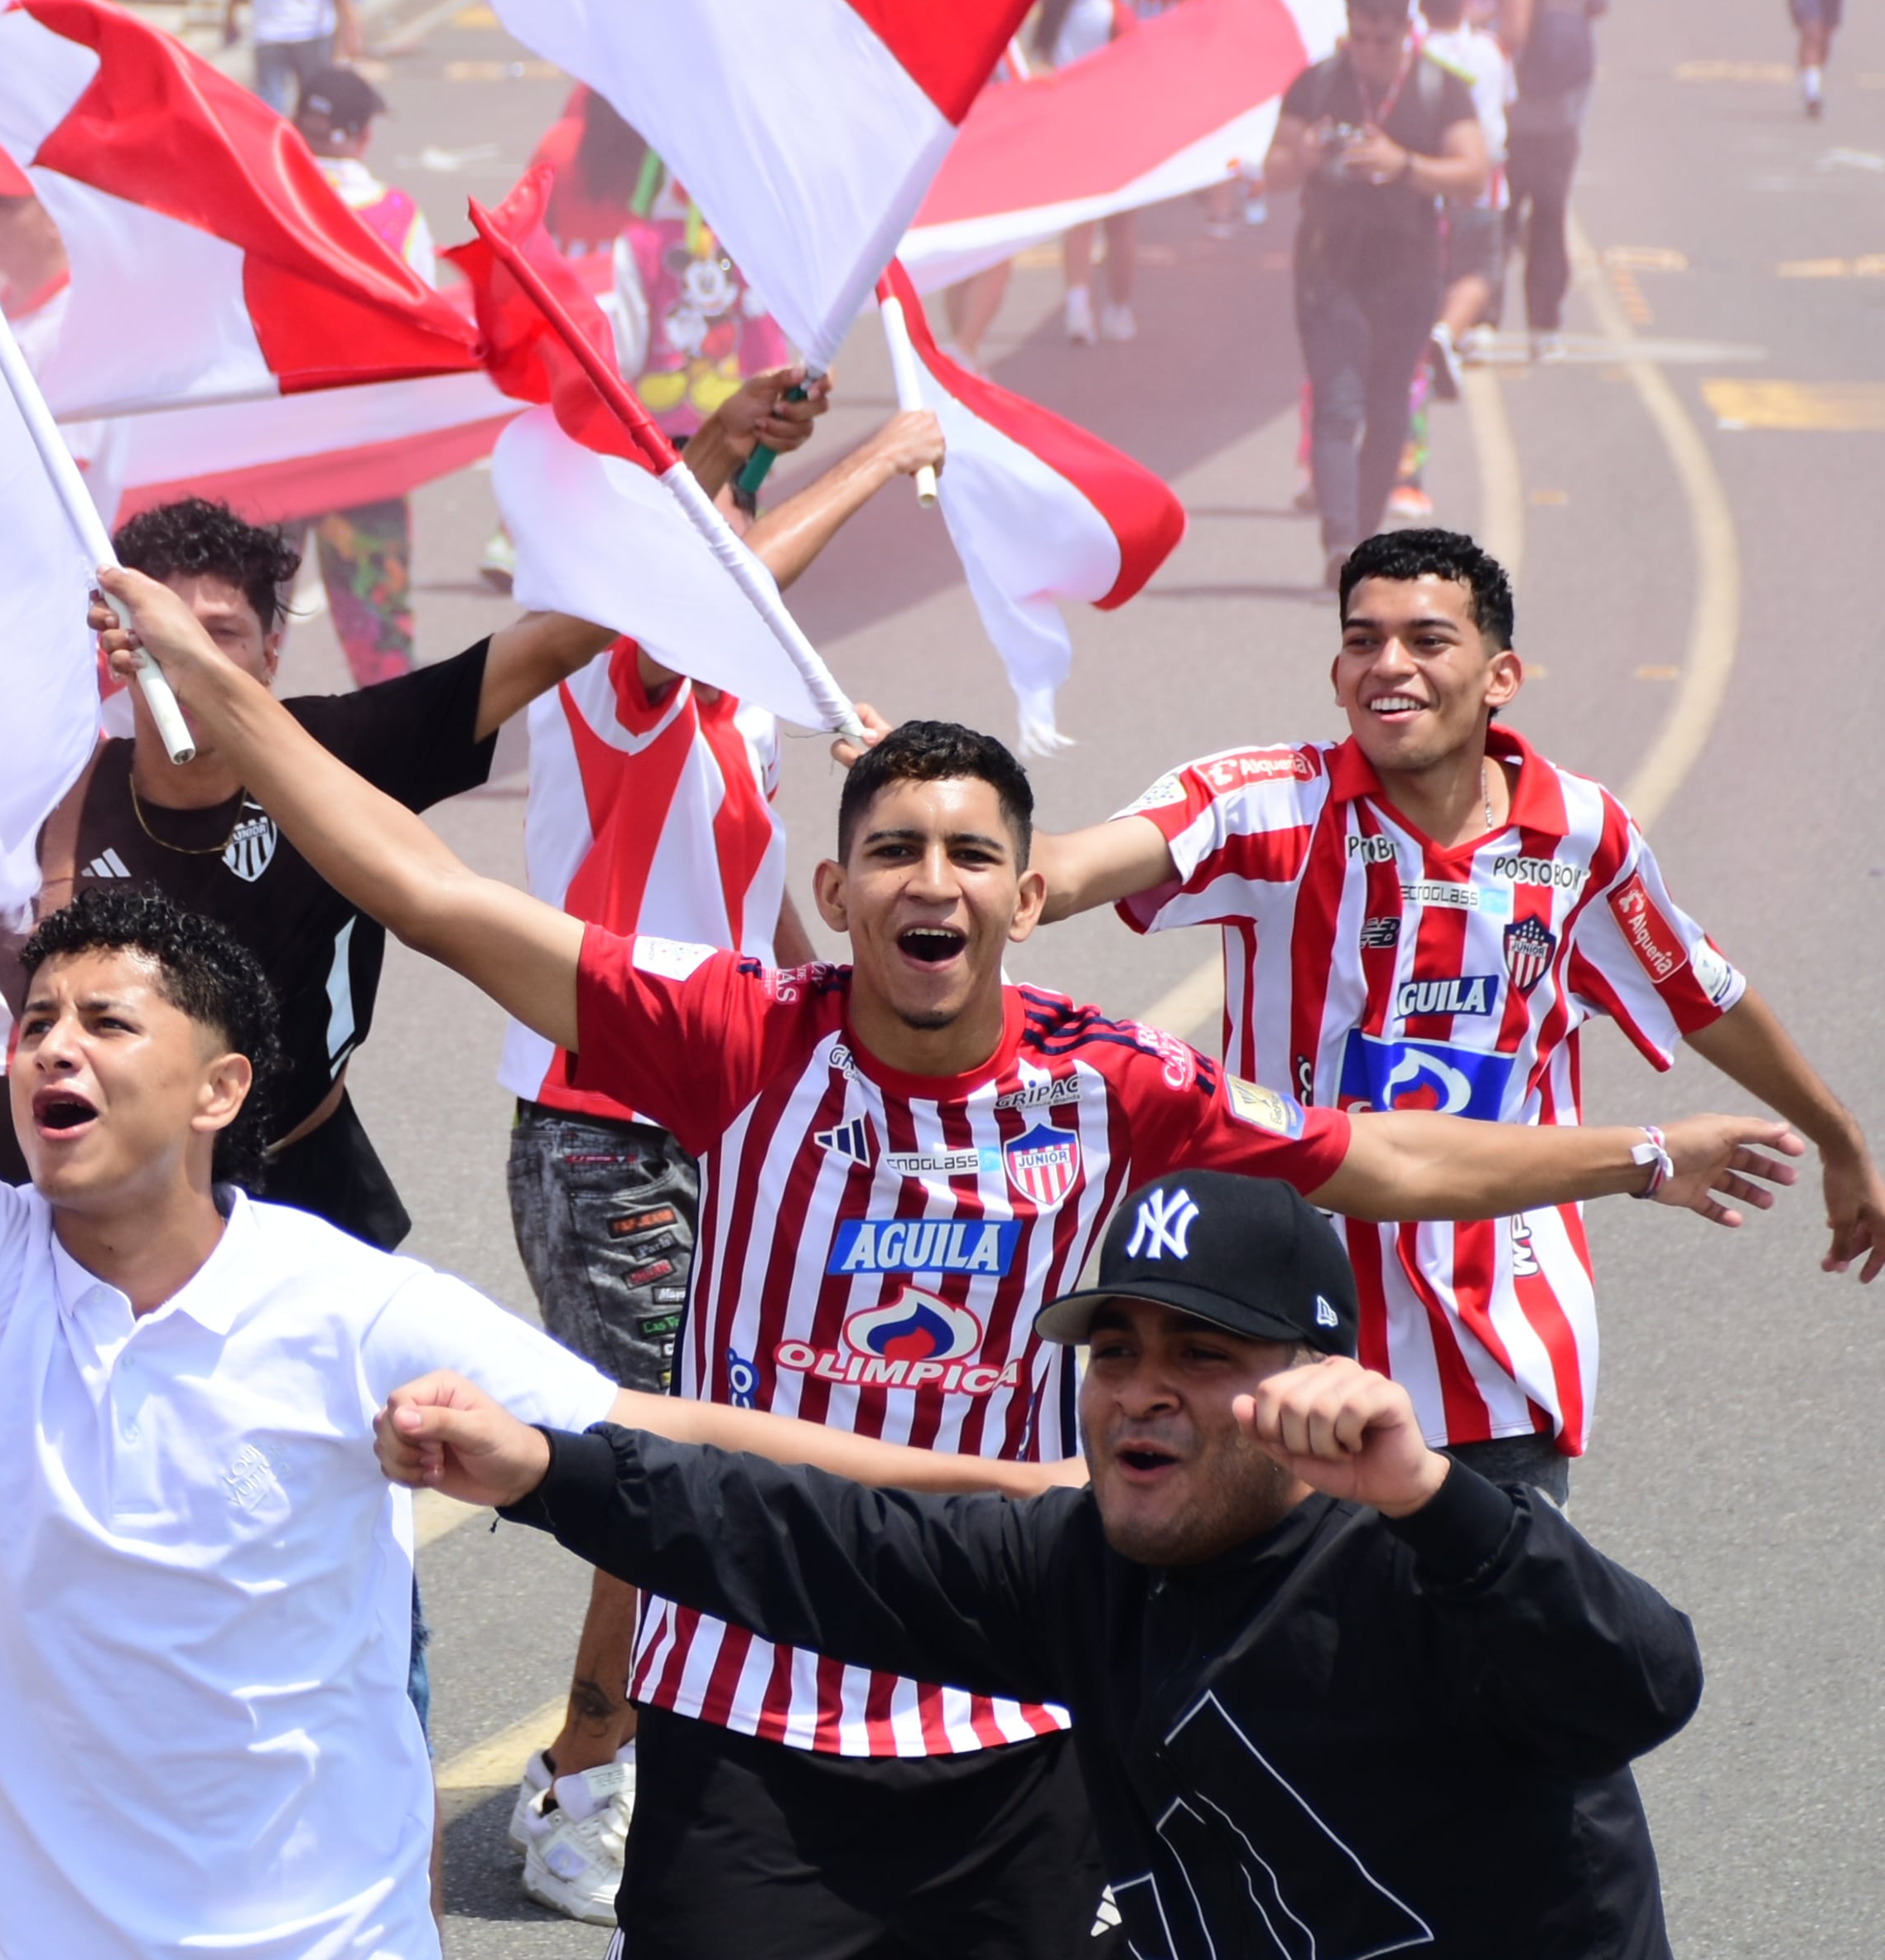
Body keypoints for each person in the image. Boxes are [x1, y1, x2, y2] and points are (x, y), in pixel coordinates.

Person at [90, 582, 1798, 1960]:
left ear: (1022, 892)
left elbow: (1389, 1155)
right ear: (833, 890)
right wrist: (220, 690)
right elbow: (420, 880)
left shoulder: (1108, 1078)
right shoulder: (735, 1037)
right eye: (894, 848)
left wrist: (1637, 1154)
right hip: (750, 1696)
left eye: (971, 850)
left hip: (1016, 1709)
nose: (933, 879)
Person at [0, 709, 1068, 1960]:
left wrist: (1029, 1492)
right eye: (35, 1022)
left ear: (217, 1089)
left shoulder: (348, 1305)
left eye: (103, 1021)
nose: (51, 1049)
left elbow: (673, 1435)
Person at [385, 1170, 1709, 1960]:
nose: (1140, 1390)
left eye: (1201, 1354)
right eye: (1114, 1349)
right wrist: (542, 1468)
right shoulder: (1079, 1563)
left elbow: (1640, 1686)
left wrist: (1436, 1497)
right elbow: (804, 1534)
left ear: (1316, 1381)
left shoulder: (1424, 1563)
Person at [1029, 528, 1881, 1505]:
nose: (1388, 666)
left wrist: (1838, 1136)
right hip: (1278, 1358)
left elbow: (1701, 994)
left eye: (1426, 640)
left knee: (1504, 1653)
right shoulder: (1267, 803)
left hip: (1494, 1365)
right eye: (1362, 640)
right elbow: (1062, 872)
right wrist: (950, 823)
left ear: (1499, 674)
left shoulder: (1579, 832)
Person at [492, 396, 942, 1926]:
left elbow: (761, 925)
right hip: (608, 1120)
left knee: (748, 1442)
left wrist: (845, 1030)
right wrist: (882, 457)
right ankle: (585, 1773)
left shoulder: (727, 715)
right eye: (707, 506)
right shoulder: (618, 673)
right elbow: (702, 580)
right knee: (670, 1462)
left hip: (736, 1112)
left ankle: (692, 1754)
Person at [39, 495, 620, 1252]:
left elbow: (550, 646)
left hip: (315, 1198)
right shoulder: (55, 807)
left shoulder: (337, 756)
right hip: (121, 1218)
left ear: (270, 655)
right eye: (166, 634)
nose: (188, 661)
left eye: (220, 636)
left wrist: (705, 465)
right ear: (119, 645)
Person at [1266, 0, 1489, 581]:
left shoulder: (1439, 89)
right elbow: (1272, 168)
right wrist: (1305, 155)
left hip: (1406, 268)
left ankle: (1363, 538)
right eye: (1358, 38)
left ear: (1407, 31)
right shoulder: (1317, 84)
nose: (1368, 52)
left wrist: (1404, 164)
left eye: (1381, 40)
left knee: (1388, 407)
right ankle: (1340, 544)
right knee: (1337, 405)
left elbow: (1474, 172)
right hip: (1328, 264)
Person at [283, 66, 430, 685]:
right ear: (361, 136)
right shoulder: (398, 216)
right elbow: (426, 333)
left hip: (271, 449)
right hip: (365, 450)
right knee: (380, 638)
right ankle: (395, 775)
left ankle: (219, 771)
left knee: (238, 631)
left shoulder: (266, 202)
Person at [1497, 0, 1601, 356]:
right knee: (1550, 218)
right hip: (1563, 118)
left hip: (1520, 118)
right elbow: (1596, 8)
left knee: (1501, 216)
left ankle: (1483, 322)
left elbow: (1515, 32)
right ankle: (1546, 328)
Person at [1028, 0, 1140, 344]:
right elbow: (1136, 67)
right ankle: (1120, 310)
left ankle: (1078, 308)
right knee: (1122, 225)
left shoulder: (1060, 6)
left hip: (1067, 126)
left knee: (1080, 222)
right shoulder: (1115, 11)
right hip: (1112, 125)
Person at [1417, 0, 1512, 388]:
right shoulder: (1491, 48)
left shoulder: (1415, 50)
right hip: (1482, 180)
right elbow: (1507, 101)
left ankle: (1440, 334)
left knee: (1436, 265)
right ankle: (1447, 333)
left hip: (1430, 178)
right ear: (1466, 2)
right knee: (1479, 269)